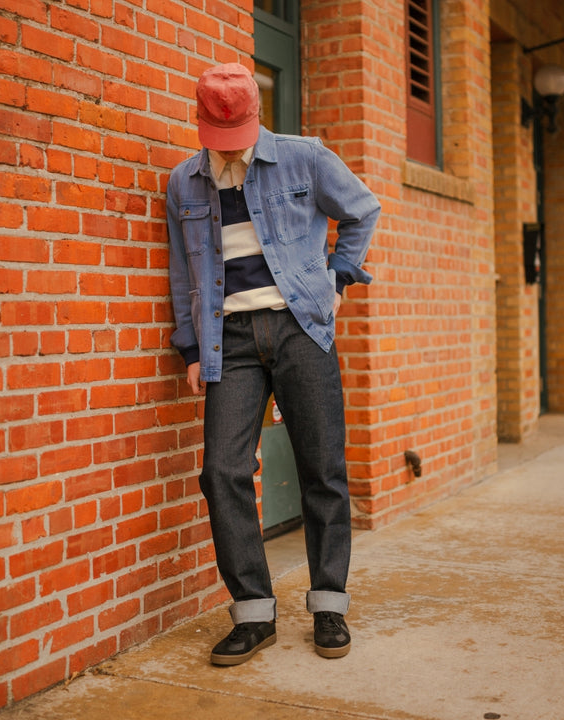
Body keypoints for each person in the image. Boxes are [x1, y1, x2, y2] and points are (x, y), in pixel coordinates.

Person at [166, 62, 380, 666]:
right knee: (221, 471)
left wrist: (340, 277)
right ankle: (253, 613)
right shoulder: (182, 183)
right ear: (202, 124)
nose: (231, 153)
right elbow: (184, 270)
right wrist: (190, 348)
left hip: (300, 329)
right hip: (228, 340)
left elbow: (363, 210)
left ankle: (329, 603)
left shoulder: (304, 157)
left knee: (322, 468)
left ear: (257, 120)